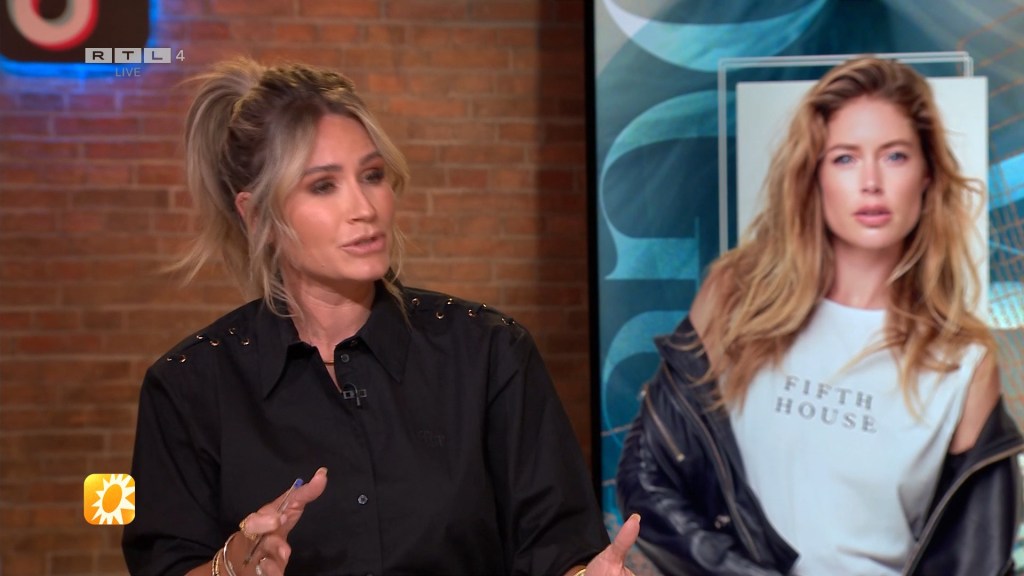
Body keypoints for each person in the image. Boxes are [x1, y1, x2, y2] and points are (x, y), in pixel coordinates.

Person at [122, 56, 641, 576]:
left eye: (372, 176)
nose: (365, 208)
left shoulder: (490, 354)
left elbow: (558, 551)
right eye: (323, 185)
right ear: (257, 215)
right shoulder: (187, 387)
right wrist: (232, 567)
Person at [616, 56, 1024, 576]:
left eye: (895, 156)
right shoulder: (736, 299)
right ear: (813, 174)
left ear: (927, 174)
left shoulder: (963, 360)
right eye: (845, 158)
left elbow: (972, 561)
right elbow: (648, 476)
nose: (871, 181)